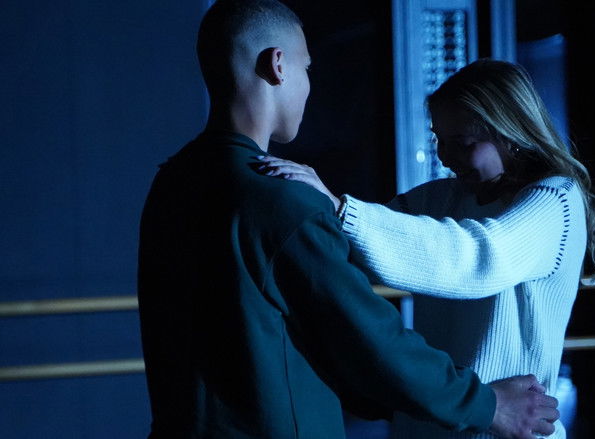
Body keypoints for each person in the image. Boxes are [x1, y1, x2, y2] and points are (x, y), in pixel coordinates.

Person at [138, 2, 559, 438]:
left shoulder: (172, 182)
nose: (308, 85)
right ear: (277, 65)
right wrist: (488, 405)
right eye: (306, 68)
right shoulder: (279, 198)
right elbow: (368, 339)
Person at [259, 59, 595, 438]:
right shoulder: (445, 197)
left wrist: (341, 209)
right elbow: (353, 242)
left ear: (510, 133)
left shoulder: (555, 199)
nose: (445, 157)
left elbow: (480, 258)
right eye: (440, 141)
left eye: (462, 144)